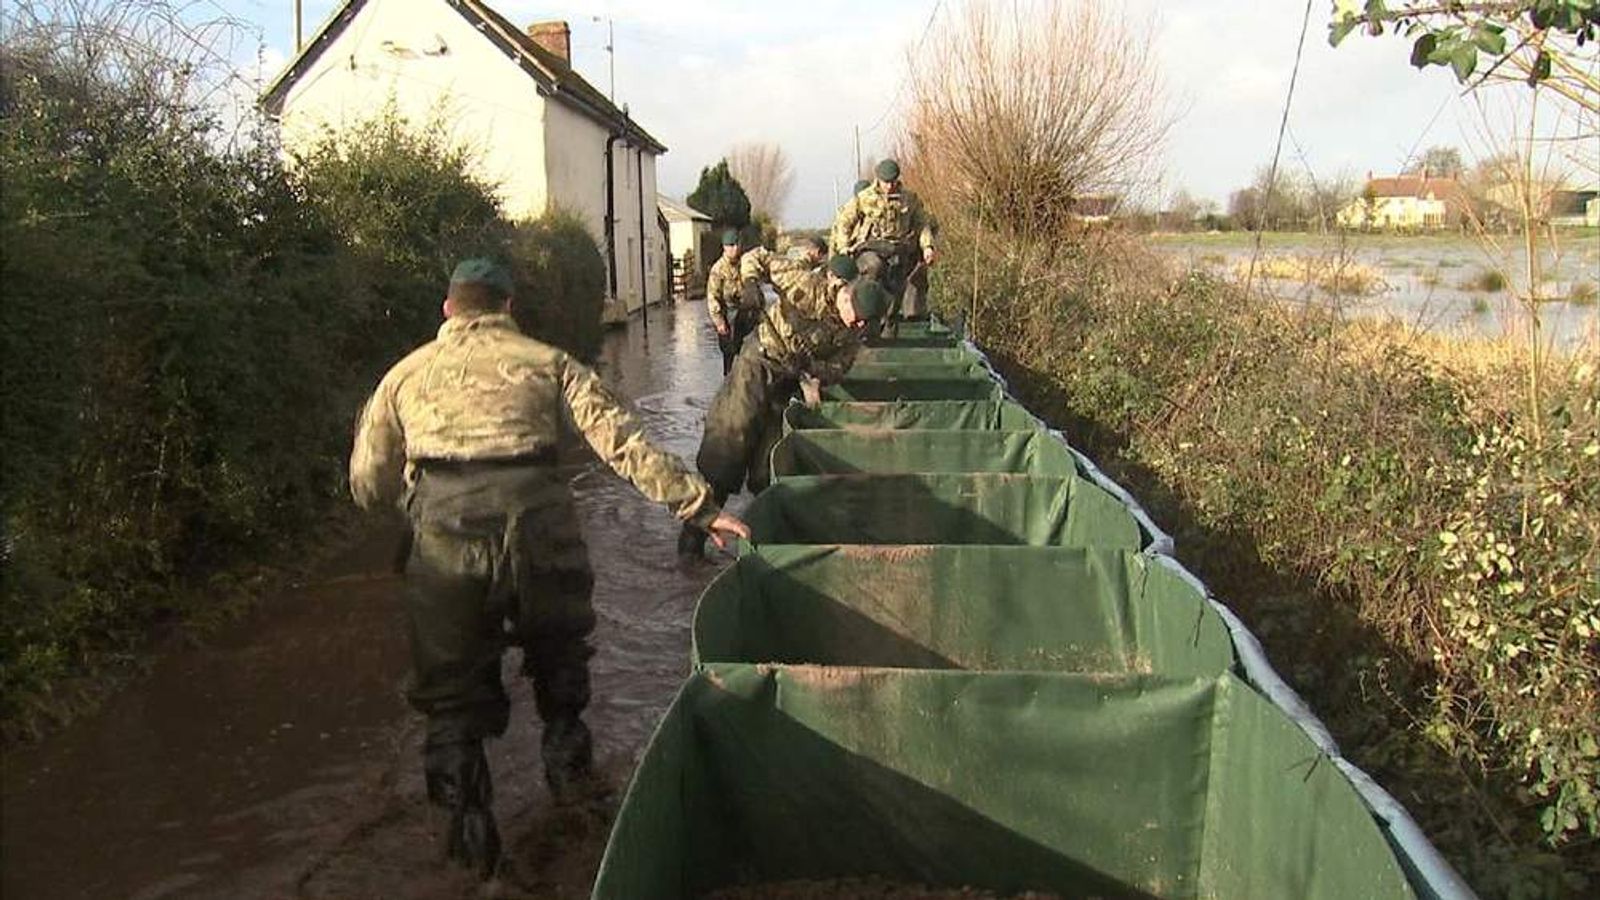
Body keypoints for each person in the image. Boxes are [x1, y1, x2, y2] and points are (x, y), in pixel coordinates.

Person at [349, 259, 749, 878]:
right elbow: (624, 445)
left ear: (448, 311)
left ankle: (473, 857)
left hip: (445, 544)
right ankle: (578, 804)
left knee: (452, 706)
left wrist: (423, 496)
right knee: (561, 673)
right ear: (509, 308)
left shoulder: (403, 376)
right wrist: (702, 509)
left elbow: (368, 483)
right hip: (541, 534)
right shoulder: (550, 363)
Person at [678, 255, 890, 558]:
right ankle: (691, 544)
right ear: (846, 296)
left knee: (770, 468)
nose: (855, 325)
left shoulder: (852, 335)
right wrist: (750, 283)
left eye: (862, 324)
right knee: (726, 452)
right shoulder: (807, 285)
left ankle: (764, 552)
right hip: (757, 363)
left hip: (788, 381)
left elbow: (837, 370)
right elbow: (758, 258)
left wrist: (811, 365)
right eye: (854, 316)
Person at [829, 158, 938, 319]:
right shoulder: (865, 198)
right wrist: (844, 247)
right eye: (886, 182)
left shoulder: (909, 199)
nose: (889, 186)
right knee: (875, 267)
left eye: (893, 182)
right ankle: (865, 308)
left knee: (897, 286)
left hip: (898, 249)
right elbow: (844, 221)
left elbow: (922, 224)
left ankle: (889, 321)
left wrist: (927, 247)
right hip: (870, 248)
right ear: (878, 180)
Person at [704, 229, 760, 375]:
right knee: (729, 357)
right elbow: (712, 296)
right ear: (724, 247)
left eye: (737, 244)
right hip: (728, 316)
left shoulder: (746, 263)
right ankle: (729, 386)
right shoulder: (718, 269)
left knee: (750, 353)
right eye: (731, 245)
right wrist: (719, 321)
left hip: (746, 314)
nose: (735, 248)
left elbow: (755, 285)